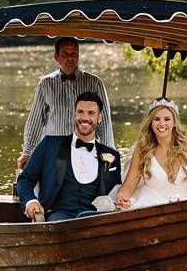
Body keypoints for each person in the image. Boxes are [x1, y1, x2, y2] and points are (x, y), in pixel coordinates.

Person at [17, 92, 122, 222]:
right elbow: (25, 179)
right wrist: (31, 201)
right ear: (74, 115)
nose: (84, 118)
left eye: (91, 113)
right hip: (58, 218)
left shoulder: (112, 156)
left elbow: (116, 192)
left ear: (99, 117)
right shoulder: (49, 144)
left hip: (96, 220)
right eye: (80, 112)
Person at [16, 37, 113, 171]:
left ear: (78, 55)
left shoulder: (94, 83)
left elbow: (105, 121)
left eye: (74, 53)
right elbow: (36, 121)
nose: (70, 58)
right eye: (65, 54)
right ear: (56, 57)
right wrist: (27, 152)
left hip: (86, 150)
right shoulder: (46, 84)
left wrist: (108, 152)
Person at [114, 98, 187, 210]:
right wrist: (122, 198)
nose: (161, 124)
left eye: (167, 119)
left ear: (174, 122)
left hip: (186, 208)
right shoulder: (143, 148)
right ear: (151, 123)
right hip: (151, 207)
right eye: (156, 119)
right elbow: (129, 186)